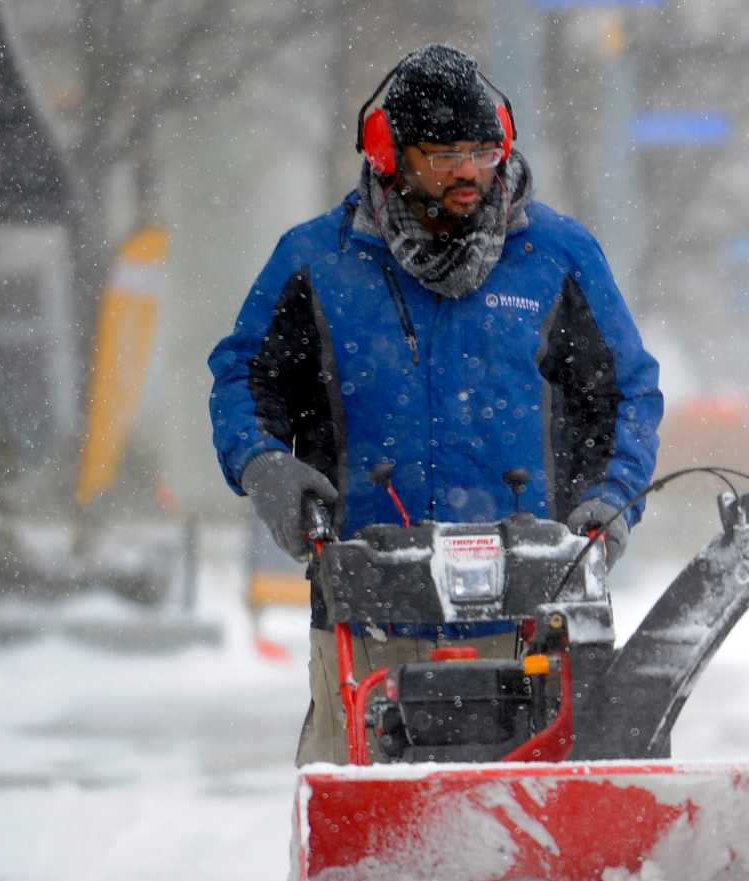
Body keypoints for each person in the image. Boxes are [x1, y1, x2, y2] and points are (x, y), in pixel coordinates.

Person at [207, 43, 662, 765]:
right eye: (444, 152)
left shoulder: (559, 258)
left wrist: (612, 498)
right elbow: (243, 380)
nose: (468, 172)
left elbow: (627, 393)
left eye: (482, 150)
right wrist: (265, 465)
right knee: (358, 822)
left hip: (534, 607)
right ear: (391, 153)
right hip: (365, 605)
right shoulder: (317, 263)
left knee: (539, 812)